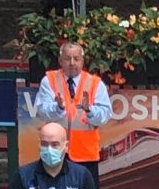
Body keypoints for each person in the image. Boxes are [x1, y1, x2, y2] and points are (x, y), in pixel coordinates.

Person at [30, 42, 112, 173]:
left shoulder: (95, 83)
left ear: (82, 61)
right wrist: (58, 108)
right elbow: (42, 111)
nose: (72, 63)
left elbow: (104, 116)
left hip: (86, 155)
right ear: (60, 61)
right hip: (56, 154)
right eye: (67, 59)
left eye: (76, 59)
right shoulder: (49, 80)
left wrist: (89, 110)